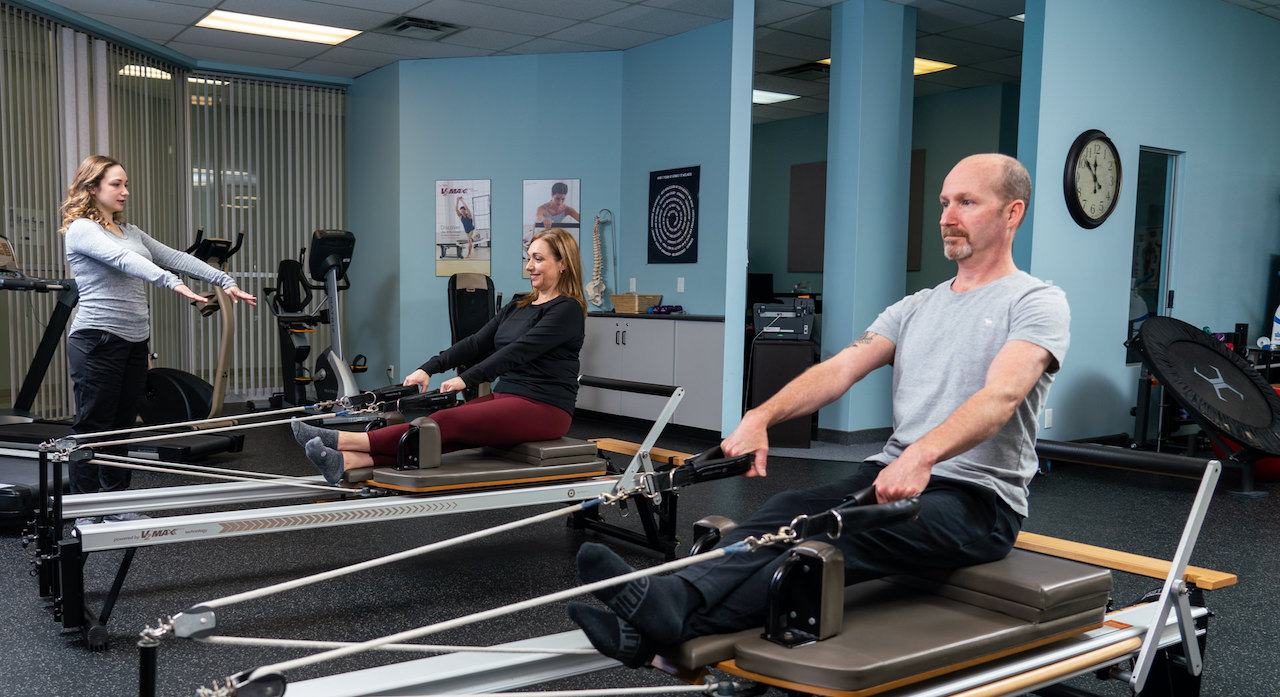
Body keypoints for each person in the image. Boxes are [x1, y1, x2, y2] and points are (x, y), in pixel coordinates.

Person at [567, 153, 1071, 667]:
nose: (946, 215)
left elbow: (1001, 397)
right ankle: (663, 612)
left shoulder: (1035, 302)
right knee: (783, 509)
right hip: (888, 474)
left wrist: (923, 455)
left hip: (977, 501)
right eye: (944, 202)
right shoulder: (918, 305)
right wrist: (761, 416)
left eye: (966, 202)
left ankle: (671, 615)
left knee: (832, 533)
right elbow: (840, 369)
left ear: (1012, 213)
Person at [293, 227, 587, 483]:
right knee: (448, 432)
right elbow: (474, 343)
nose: (530, 266)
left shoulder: (567, 310)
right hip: (508, 397)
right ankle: (349, 462)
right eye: (529, 258)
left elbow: (518, 352)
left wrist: (466, 379)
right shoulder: (519, 305)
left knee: (445, 423)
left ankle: (345, 441)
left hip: (545, 407)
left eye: (539, 259)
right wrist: (429, 368)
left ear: (562, 264)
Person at [59, 154, 257, 498]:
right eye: (116, 184)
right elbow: (124, 260)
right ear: (92, 188)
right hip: (97, 340)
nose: (125, 192)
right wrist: (170, 282)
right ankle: (84, 508)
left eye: (126, 184)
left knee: (122, 428)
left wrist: (224, 280)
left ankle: (117, 502)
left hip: (135, 340)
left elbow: (176, 257)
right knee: (94, 428)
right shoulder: (81, 230)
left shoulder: (130, 230)